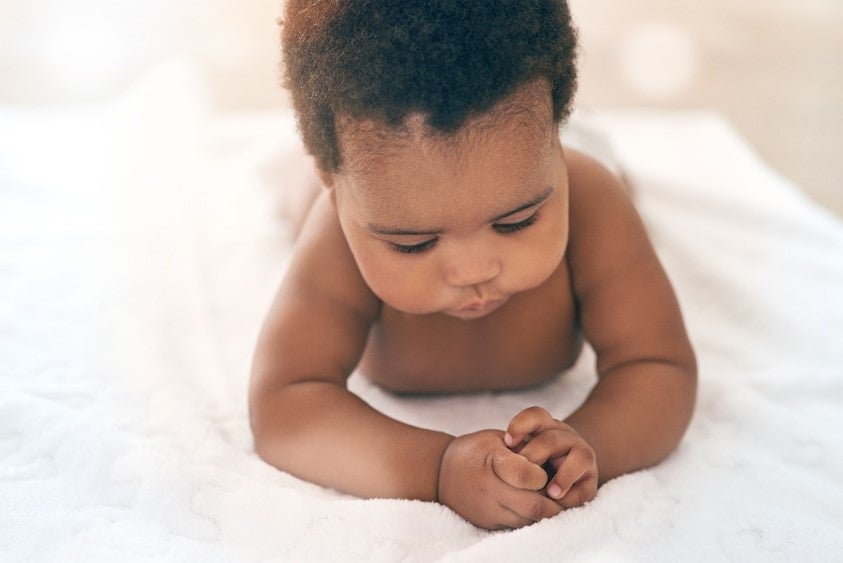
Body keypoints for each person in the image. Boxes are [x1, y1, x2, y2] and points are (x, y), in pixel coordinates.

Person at [249, 0, 697, 531]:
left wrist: (584, 447)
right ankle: (298, 168)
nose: (473, 271)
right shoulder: (340, 231)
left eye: (518, 223)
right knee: (293, 193)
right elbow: (284, 404)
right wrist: (436, 468)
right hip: (356, 178)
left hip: (557, 153)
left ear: (555, 143)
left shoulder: (589, 200)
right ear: (339, 192)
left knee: (613, 176)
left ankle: (586, 135)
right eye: (413, 245)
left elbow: (658, 366)